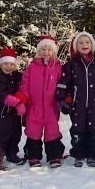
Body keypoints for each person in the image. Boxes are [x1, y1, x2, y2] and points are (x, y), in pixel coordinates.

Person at [56, 32, 95, 167]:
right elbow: (63, 84)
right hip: (77, 105)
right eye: (80, 43)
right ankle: (78, 154)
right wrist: (62, 100)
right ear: (76, 47)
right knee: (77, 130)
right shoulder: (70, 65)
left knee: (94, 130)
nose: (84, 45)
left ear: (91, 45)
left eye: (87, 42)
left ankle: (92, 155)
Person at [20, 36, 65, 167]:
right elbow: (24, 86)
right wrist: (22, 100)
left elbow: (62, 85)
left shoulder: (58, 67)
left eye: (49, 49)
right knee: (33, 132)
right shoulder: (32, 67)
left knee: (52, 132)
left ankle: (54, 156)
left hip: (51, 107)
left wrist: (63, 99)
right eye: (43, 49)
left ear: (54, 52)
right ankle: (33, 156)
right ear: (38, 51)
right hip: (34, 107)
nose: (46, 52)